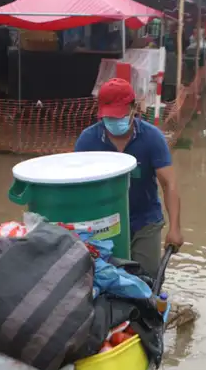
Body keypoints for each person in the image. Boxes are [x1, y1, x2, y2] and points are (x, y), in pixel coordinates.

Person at [74, 78, 183, 275]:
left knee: (147, 276)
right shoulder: (88, 141)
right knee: (102, 276)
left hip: (144, 220)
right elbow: (77, 187)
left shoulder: (152, 138)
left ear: (134, 108)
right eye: (109, 117)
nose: (114, 122)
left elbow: (169, 184)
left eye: (119, 115)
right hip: (103, 221)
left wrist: (175, 228)